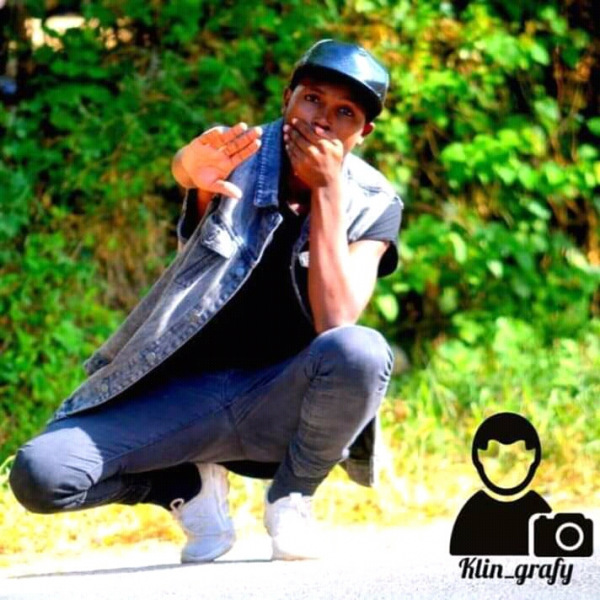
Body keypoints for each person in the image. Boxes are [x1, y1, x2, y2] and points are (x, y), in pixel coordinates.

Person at [10, 39, 403, 562]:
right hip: (182, 397)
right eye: (311, 98)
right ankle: (186, 487)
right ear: (287, 97)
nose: (322, 120)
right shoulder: (234, 156)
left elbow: (335, 321)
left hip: (278, 404)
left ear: (363, 132)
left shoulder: (375, 203)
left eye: (345, 112)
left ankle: (292, 498)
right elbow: (191, 167)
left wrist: (327, 191)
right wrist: (186, 174)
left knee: (361, 351)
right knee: (40, 474)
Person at [450, 413, 551, 555]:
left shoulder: (537, 508)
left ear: (536, 461)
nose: (506, 457)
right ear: (477, 462)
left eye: (518, 451)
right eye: (494, 452)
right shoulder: (474, 512)